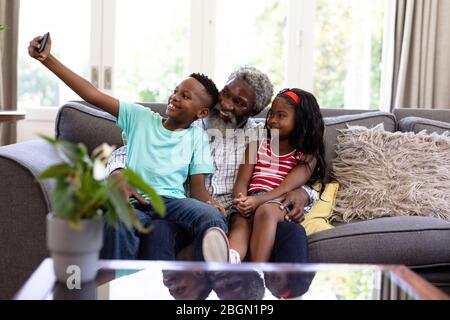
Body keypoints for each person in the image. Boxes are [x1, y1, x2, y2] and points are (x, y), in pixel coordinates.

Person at [28, 34, 228, 261]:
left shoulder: (197, 137)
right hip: (131, 202)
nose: (175, 98)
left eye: (185, 96)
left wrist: (211, 204)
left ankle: (213, 274)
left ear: (201, 113)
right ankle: (120, 284)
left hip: (171, 203)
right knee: (118, 222)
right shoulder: (140, 117)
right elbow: (92, 94)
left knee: (211, 217)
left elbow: (198, 189)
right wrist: (47, 59)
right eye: (176, 90)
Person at [106, 67, 319, 263]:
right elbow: (134, 150)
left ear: (254, 111)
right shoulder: (189, 121)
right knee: (160, 232)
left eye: (240, 103)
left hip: (236, 216)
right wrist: (117, 173)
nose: (226, 105)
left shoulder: (262, 137)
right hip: (184, 211)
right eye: (225, 93)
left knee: (292, 235)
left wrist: (304, 193)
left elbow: (302, 168)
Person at [223, 88, 326, 263]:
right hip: (252, 199)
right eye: (271, 114)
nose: (272, 120)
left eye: (281, 115)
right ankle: (231, 258)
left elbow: (286, 187)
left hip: (279, 200)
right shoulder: (257, 146)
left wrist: (258, 201)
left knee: (266, 212)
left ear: (300, 120)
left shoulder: (306, 156)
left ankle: (258, 268)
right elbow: (242, 181)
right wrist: (241, 200)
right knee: (240, 222)